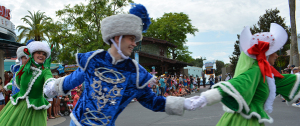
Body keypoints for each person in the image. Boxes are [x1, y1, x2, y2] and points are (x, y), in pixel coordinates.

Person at [46, 4, 194, 126]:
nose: (134, 44)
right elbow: (72, 80)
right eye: (131, 39)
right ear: (118, 37)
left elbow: (152, 101)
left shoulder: (135, 73)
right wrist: (50, 88)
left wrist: (184, 103)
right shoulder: (94, 59)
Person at [188, 23, 300, 125]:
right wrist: (202, 99)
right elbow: (238, 83)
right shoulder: (256, 70)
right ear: (265, 53)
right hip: (242, 122)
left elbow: (289, 80)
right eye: (274, 52)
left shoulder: (268, 76)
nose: (276, 55)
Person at [0, 41, 56, 125]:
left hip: (36, 109)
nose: (41, 55)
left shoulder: (45, 70)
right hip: (18, 105)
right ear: (32, 54)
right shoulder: (23, 69)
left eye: (44, 54)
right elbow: (16, 82)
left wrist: (55, 85)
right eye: (38, 53)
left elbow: (49, 80)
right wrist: (7, 87)